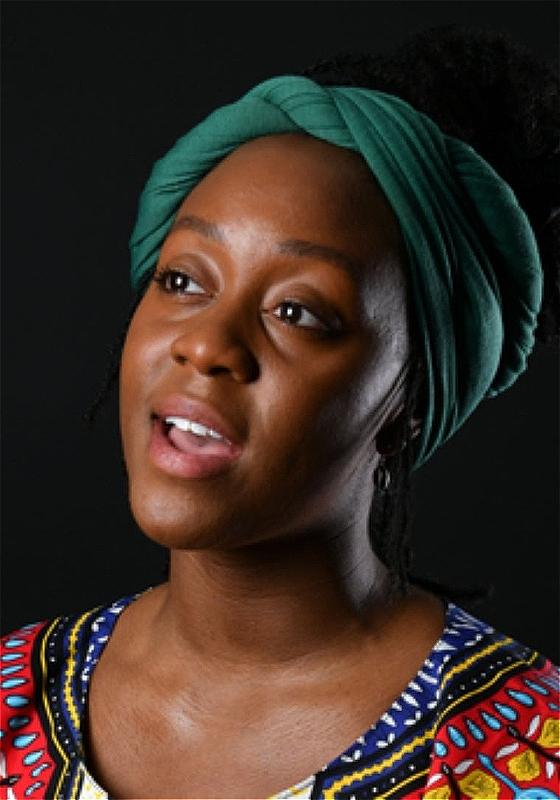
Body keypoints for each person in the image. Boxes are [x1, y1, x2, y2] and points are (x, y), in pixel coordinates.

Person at [1, 24, 559, 800]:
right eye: (182, 281)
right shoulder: (11, 697)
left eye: (298, 312)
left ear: (408, 403)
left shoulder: (529, 755)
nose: (206, 344)